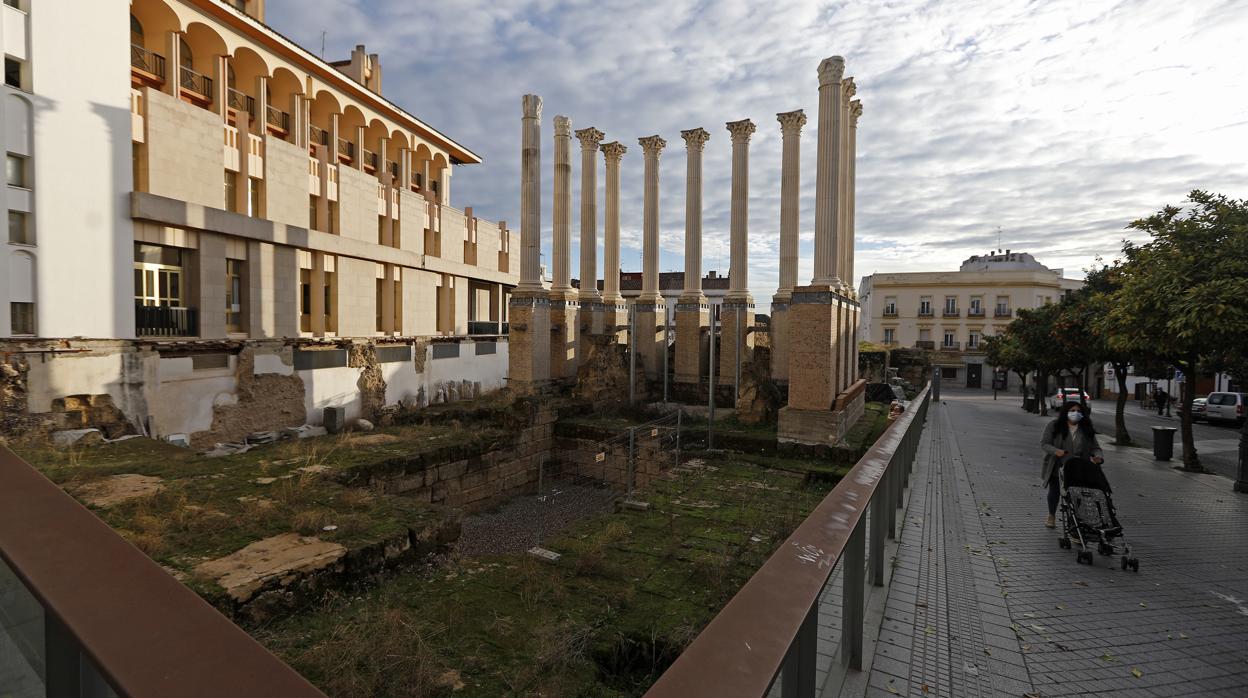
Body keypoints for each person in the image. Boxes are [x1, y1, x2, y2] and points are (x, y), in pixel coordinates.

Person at [1039, 402, 1104, 528]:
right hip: (1057, 466)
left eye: (1079, 411)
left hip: (1078, 468)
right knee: (1055, 491)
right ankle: (1051, 515)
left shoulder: (1086, 429)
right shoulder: (1054, 426)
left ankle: (1074, 520)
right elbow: (1044, 443)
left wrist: (1098, 457)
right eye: (1072, 410)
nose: (1076, 413)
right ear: (1066, 412)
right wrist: (1055, 451)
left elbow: (1095, 448)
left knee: (1077, 494)